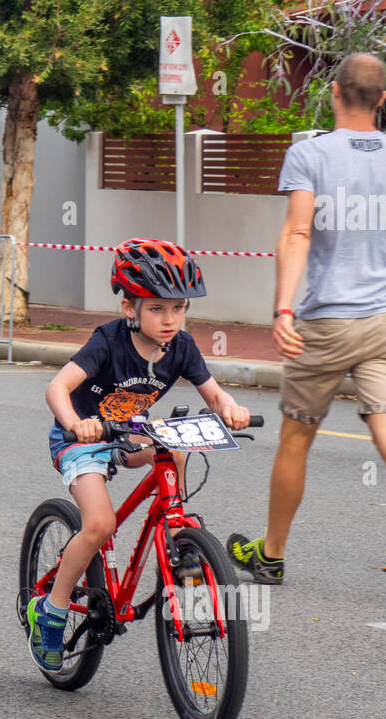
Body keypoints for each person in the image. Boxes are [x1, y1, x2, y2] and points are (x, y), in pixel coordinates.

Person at [226, 53, 386, 607]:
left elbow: (298, 231)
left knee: (296, 438)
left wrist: (283, 309)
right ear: (382, 100)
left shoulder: (310, 154)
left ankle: (272, 554)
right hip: (385, 323)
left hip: (325, 322)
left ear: (333, 93)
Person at [26, 237, 251, 671]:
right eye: (156, 308)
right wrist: (77, 423)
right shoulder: (107, 341)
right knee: (99, 524)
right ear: (129, 308)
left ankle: (174, 532)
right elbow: (57, 388)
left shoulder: (181, 347)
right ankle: (50, 611)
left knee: (177, 445)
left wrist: (232, 410)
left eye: (178, 308)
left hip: (131, 433)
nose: (170, 319)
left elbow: (214, 393)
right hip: (83, 440)